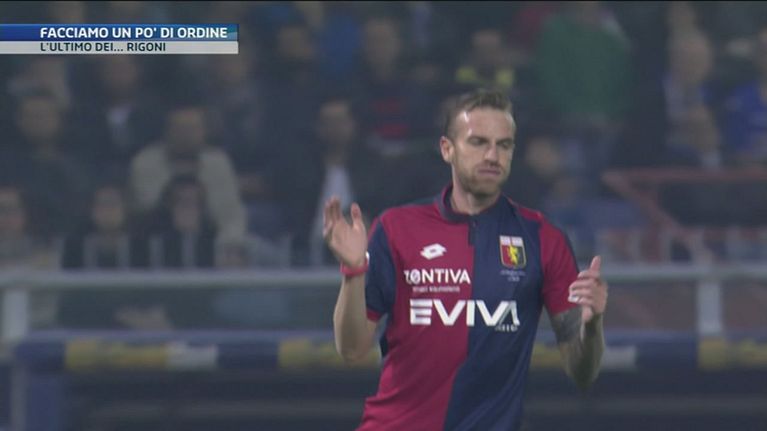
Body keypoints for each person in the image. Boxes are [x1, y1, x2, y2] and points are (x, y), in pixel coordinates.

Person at [323, 89, 608, 430]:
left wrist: (592, 326)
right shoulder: (397, 228)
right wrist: (354, 271)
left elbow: (582, 372)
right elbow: (351, 350)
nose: (492, 155)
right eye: (478, 142)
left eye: (504, 145)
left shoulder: (544, 239)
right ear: (447, 149)